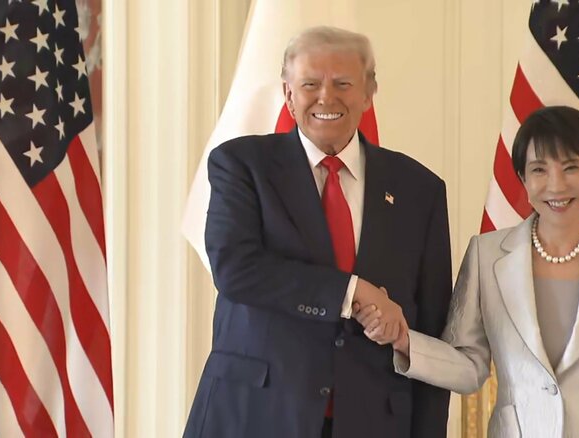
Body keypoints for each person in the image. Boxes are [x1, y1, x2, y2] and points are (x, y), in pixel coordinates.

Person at [183, 26, 453, 438]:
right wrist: (352, 292)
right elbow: (236, 269)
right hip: (255, 416)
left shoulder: (419, 189)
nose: (326, 97)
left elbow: (432, 329)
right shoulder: (242, 165)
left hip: (374, 422)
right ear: (288, 94)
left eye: (343, 83)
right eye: (310, 84)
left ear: (369, 93)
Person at [357, 106, 579, 437]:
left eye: (570, 168)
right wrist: (403, 340)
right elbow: (468, 366)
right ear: (522, 177)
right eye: (539, 170)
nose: (556, 185)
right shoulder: (486, 255)